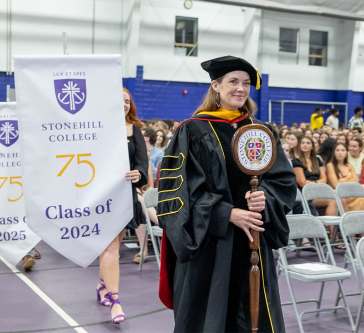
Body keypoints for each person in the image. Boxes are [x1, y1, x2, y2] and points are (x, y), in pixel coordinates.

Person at [157, 56, 296, 333]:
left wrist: (265, 198)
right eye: (233, 81)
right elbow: (177, 194)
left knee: (253, 313)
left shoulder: (260, 131)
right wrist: (226, 213)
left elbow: (282, 180)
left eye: (245, 83)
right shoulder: (192, 130)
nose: (240, 88)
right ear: (216, 86)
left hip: (252, 240)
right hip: (211, 242)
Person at [97, 87, 149, 324]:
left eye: (128, 101)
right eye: (120, 100)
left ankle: (102, 286)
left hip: (124, 195)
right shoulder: (96, 127)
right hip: (100, 196)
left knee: (113, 244)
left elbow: (142, 164)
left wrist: (138, 174)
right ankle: (115, 301)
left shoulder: (134, 129)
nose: (125, 104)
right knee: (110, 247)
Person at [293, 136, 338, 223]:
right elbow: (302, 183)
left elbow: (324, 180)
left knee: (340, 199)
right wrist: (317, 182)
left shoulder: (317, 160)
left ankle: (340, 232)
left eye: (308, 143)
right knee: (333, 201)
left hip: (319, 190)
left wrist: (313, 182)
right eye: (302, 143)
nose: (305, 145)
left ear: (312, 146)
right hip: (306, 193)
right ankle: (331, 234)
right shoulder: (296, 161)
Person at [326, 143, 360, 214]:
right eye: (337, 150)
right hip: (337, 193)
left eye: (342, 150)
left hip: (351, 192)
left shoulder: (350, 166)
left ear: (347, 153)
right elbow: (336, 185)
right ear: (334, 153)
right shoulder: (330, 165)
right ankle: (349, 222)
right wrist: (351, 181)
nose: (340, 152)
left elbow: (356, 181)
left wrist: (342, 181)